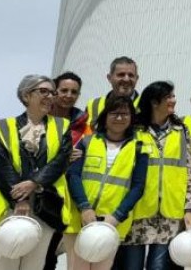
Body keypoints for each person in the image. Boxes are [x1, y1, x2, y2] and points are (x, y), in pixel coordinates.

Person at [0, 75, 72, 270]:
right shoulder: (1, 127)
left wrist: (34, 182)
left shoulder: (62, 127)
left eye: (52, 92)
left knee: (34, 265)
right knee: (6, 263)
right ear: (26, 96)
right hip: (10, 204)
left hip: (46, 206)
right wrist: (20, 199)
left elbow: (60, 160)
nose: (50, 96)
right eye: (43, 91)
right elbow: (2, 167)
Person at [119, 82, 191, 270]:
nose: (174, 100)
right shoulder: (134, 130)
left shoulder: (181, 130)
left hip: (169, 212)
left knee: (159, 268)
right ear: (154, 102)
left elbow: (189, 171)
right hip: (137, 210)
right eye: (169, 97)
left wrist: (188, 208)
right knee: (131, 267)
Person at [67, 94, 149, 270]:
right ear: (105, 116)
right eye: (114, 113)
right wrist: (84, 207)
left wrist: (117, 216)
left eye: (125, 114)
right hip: (81, 220)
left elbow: (138, 186)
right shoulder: (87, 142)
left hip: (111, 223)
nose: (119, 118)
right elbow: (73, 175)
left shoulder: (139, 147)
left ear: (131, 118)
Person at [45, 71, 85, 270]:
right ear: (55, 91)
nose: (68, 95)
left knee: (76, 260)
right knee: (45, 256)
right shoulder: (40, 121)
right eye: (64, 90)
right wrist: (62, 159)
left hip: (75, 199)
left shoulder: (84, 125)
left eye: (74, 92)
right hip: (47, 196)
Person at [85, 57, 141, 129]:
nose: (126, 79)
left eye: (131, 75)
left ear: (136, 78)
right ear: (109, 78)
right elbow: (86, 135)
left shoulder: (147, 106)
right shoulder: (93, 105)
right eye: (121, 74)